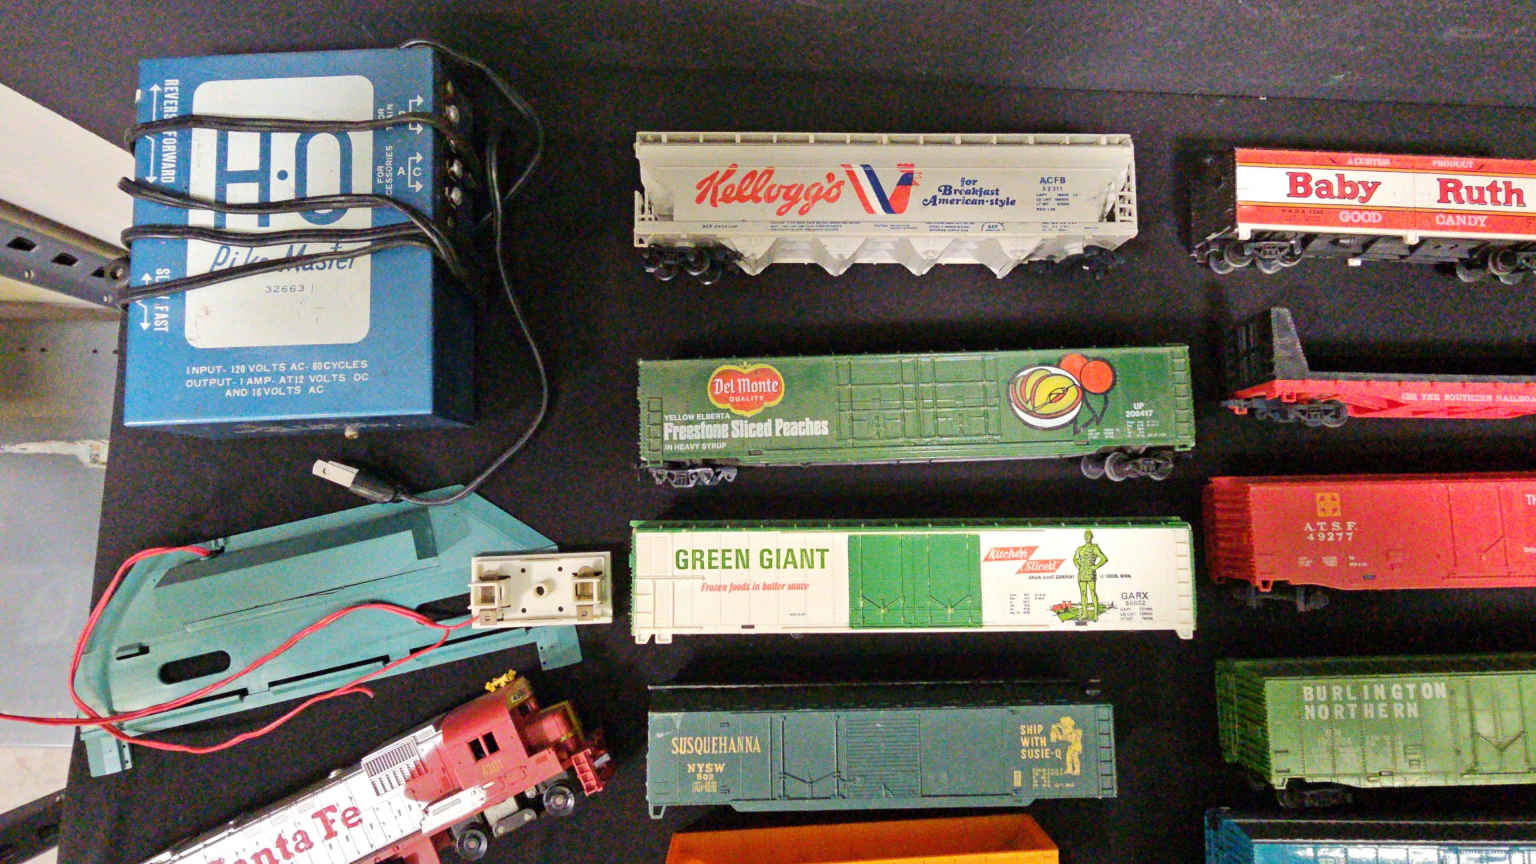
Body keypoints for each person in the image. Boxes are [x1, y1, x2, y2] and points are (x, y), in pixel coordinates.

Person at [1072, 529, 1107, 623]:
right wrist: (1078, 566)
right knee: (1083, 593)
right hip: (1082, 573)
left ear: (1092, 537)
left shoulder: (1095, 547)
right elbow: (1075, 559)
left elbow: (1104, 558)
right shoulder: (1080, 548)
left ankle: (1095, 614)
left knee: (1092, 592)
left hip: (1090, 573)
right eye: (1086, 536)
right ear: (1084, 537)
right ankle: (1085, 613)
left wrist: (1095, 566)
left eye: (1089, 536)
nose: (1087, 537)